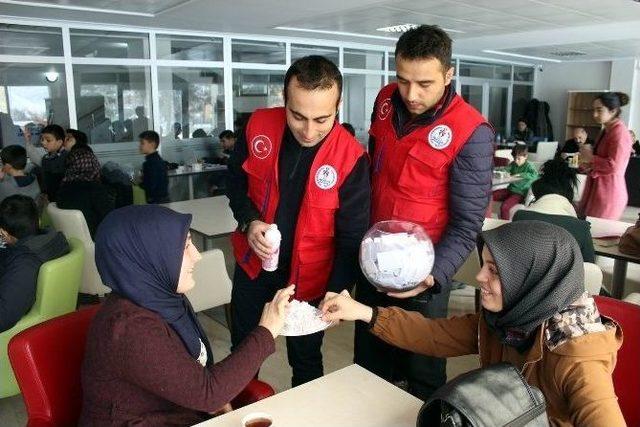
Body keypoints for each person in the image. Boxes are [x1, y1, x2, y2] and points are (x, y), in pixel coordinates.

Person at [321, 221, 624, 426]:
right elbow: (434, 335)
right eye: (485, 266)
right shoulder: (508, 321)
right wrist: (362, 311)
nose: (480, 279)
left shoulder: (578, 356)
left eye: (495, 271)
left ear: (531, 279)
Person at [356, 25, 494, 400]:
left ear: (449, 75)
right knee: (369, 361)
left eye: (425, 83)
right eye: (403, 80)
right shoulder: (385, 100)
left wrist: (433, 276)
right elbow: (375, 171)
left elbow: (468, 222)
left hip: (424, 271)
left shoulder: (470, 130)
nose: (411, 94)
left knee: (421, 368)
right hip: (374, 260)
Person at [227, 55, 370, 387]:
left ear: (339, 105)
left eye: (322, 119)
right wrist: (249, 222)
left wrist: (338, 291)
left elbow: (351, 238)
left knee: (306, 360)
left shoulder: (351, 158)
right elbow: (235, 183)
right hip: (254, 268)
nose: (309, 131)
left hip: (311, 279)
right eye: (297, 116)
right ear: (284, 98)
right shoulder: (258, 126)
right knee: (243, 354)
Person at [80, 205, 294, 426]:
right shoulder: (129, 328)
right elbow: (207, 392)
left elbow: (195, 379)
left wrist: (211, 399)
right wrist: (266, 331)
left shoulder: (165, 299)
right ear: (148, 256)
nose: (196, 256)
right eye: (184, 246)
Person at [0, 195, 69, 332]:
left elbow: (3, 317)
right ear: (37, 220)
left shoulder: (25, 263)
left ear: (4, 234)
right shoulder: (52, 240)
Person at [512, 158, 595, 263]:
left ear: (538, 188)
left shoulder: (520, 217)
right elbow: (589, 268)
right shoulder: (581, 228)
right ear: (569, 190)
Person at [578, 92, 633, 219]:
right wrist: (588, 164)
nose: (594, 115)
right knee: (586, 228)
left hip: (609, 192)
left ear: (613, 111)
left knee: (598, 234)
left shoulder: (620, 133)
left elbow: (614, 166)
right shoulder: (607, 130)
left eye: (599, 110)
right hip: (596, 189)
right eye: (594, 110)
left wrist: (590, 157)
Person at [56, 142, 115, 239]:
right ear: (93, 164)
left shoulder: (62, 189)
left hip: (71, 241)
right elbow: (111, 218)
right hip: (97, 240)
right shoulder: (95, 189)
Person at [492, 145, 538, 220]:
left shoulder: (529, 166)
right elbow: (506, 169)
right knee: (489, 195)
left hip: (520, 193)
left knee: (505, 207)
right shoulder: (514, 163)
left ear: (525, 156)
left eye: (519, 158)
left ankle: (505, 227)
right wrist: (502, 171)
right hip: (509, 190)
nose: (516, 161)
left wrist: (521, 174)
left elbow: (535, 175)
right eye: (514, 158)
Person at [138, 130, 169, 204]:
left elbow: (151, 185)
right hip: (161, 200)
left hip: (156, 202)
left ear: (152, 144)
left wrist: (140, 182)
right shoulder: (158, 160)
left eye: (142, 143)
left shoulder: (151, 163)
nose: (140, 146)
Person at [39, 124, 68, 202]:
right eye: (42, 140)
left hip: (64, 198)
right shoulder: (45, 159)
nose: (43, 143)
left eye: (48, 140)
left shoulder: (67, 157)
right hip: (51, 198)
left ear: (59, 142)